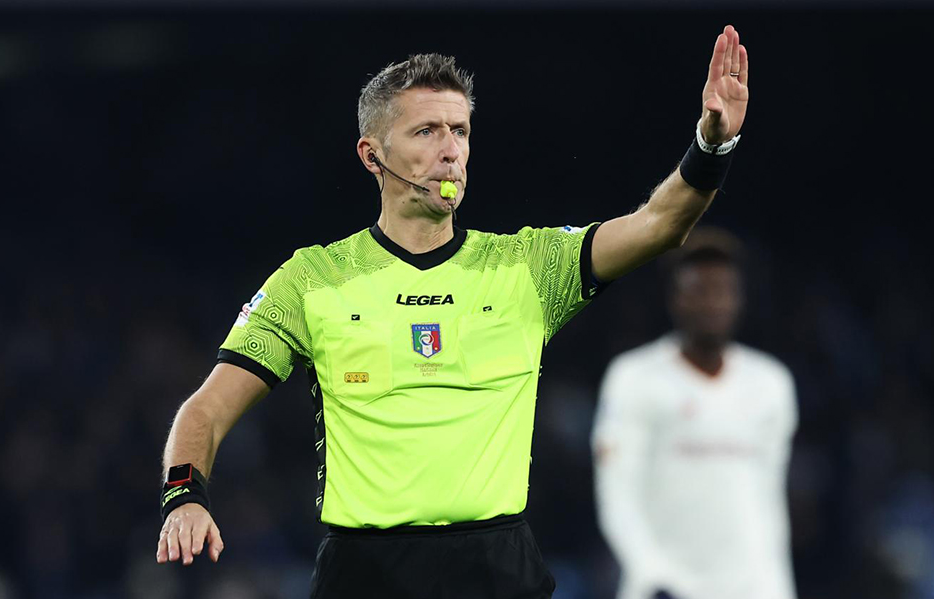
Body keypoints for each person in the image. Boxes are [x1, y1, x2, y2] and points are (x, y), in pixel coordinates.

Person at [155, 24, 751, 599]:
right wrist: (184, 496)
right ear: (372, 154)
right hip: (364, 574)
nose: (450, 151)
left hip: (500, 570)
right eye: (426, 132)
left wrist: (712, 146)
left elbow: (660, 224)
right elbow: (205, 409)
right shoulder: (313, 280)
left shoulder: (527, 267)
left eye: (460, 131)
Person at [591, 228, 797, 599]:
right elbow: (617, 494)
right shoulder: (634, 378)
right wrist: (653, 575)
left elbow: (769, 497)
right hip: (665, 589)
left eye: (724, 290)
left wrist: (777, 587)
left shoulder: (770, 383)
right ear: (676, 299)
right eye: (700, 290)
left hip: (752, 587)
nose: (713, 302)